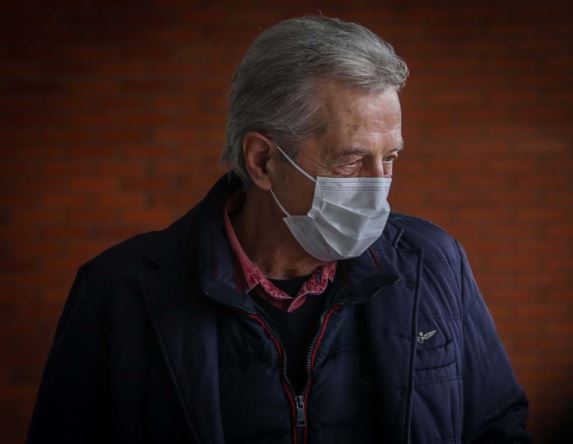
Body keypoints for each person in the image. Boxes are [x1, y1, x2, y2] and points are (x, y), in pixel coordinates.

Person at [26, 16, 531, 444]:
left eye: (391, 158)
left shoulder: (434, 261)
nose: (378, 186)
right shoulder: (120, 292)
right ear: (263, 160)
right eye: (352, 160)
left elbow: (497, 426)